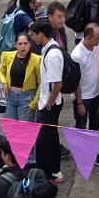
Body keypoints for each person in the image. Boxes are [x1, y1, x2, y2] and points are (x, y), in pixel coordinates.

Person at [30, 19, 68, 182]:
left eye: (34, 34)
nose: (33, 38)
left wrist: (48, 103)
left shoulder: (52, 54)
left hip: (49, 104)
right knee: (50, 138)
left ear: (41, 34)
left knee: (44, 141)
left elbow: (57, 83)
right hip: (47, 102)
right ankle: (54, 171)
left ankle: (48, 172)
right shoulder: (48, 49)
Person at [0, 32, 41, 123]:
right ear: (15, 45)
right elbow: (1, 72)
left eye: (25, 43)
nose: (23, 47)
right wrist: (4, 82)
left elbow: (41, 83)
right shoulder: (7, 56)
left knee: (25, 128)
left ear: (30, 44)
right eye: (20, 44)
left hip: (27, 97)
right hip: (9, 95)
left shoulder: (37, 60)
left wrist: (35, 102)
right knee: (10, 126)